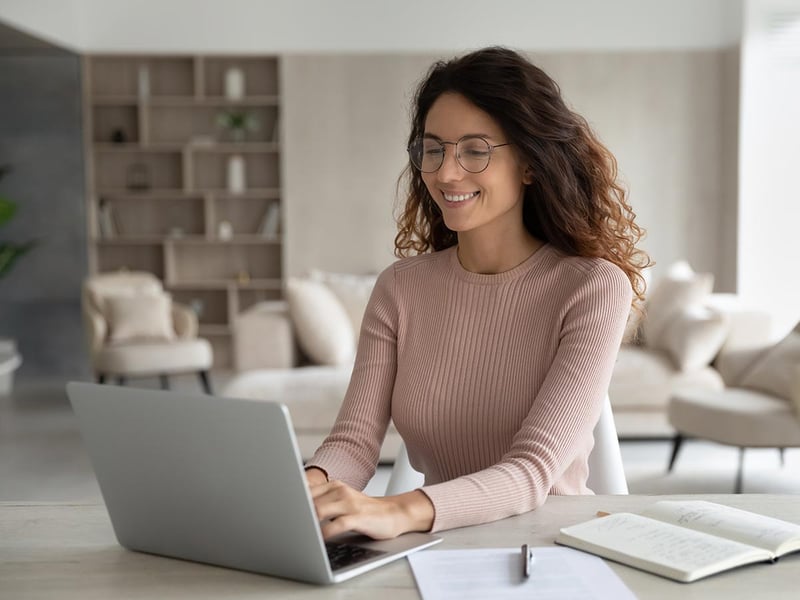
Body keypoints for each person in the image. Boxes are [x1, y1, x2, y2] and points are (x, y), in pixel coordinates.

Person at [304, 47, 650, 541]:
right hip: (434, 543)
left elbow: (534, 470)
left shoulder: (592, 287)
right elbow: (354, 445)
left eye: (475, 150)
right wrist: (308, 487)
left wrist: (397, 511)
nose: (446, 173)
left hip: (550, 547)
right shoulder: (399, 289)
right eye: (434, 148)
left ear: (530, 163)